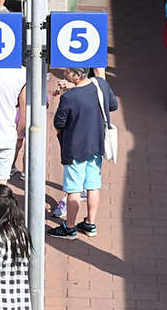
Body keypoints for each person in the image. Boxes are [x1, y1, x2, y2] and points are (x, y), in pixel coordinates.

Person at [48, 67, 116, 240]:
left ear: (77, 76)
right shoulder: (100, 84)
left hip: (74, 149)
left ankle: (69, 227)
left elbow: (59, 123)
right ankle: (90, 224)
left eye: (67, 72)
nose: (64, 74)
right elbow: (112, 105)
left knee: (74, 189)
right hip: (96, 145)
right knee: (93, 185)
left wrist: (68, 92)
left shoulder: (69, 98)